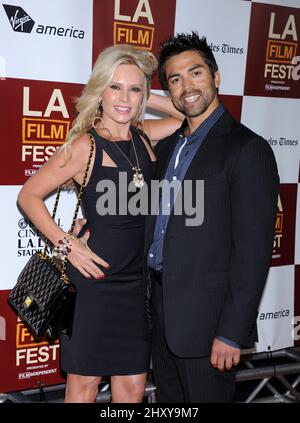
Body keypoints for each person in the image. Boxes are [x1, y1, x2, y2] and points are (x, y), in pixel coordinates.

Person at [17, 44, 183, 403]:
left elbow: (183, 116)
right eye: (114, 87)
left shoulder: (143, 136)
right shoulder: (84, 146)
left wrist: (143, 96)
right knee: (84, 385)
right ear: (99, 91)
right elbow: (28, 196)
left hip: (138, 285)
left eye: (133, 89)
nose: (124, 98)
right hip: (94, 285)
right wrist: (68, 244)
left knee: (133, 387)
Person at [144, 32, 279, 402]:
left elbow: (253, 251)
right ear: (169, 92)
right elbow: (153, 220)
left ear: (216, 77)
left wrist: (232, 332)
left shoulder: (247, 149)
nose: (186, 86)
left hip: (209, 326)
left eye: (195, 73)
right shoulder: (168, 146)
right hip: (160, 315)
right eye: (175, 79)